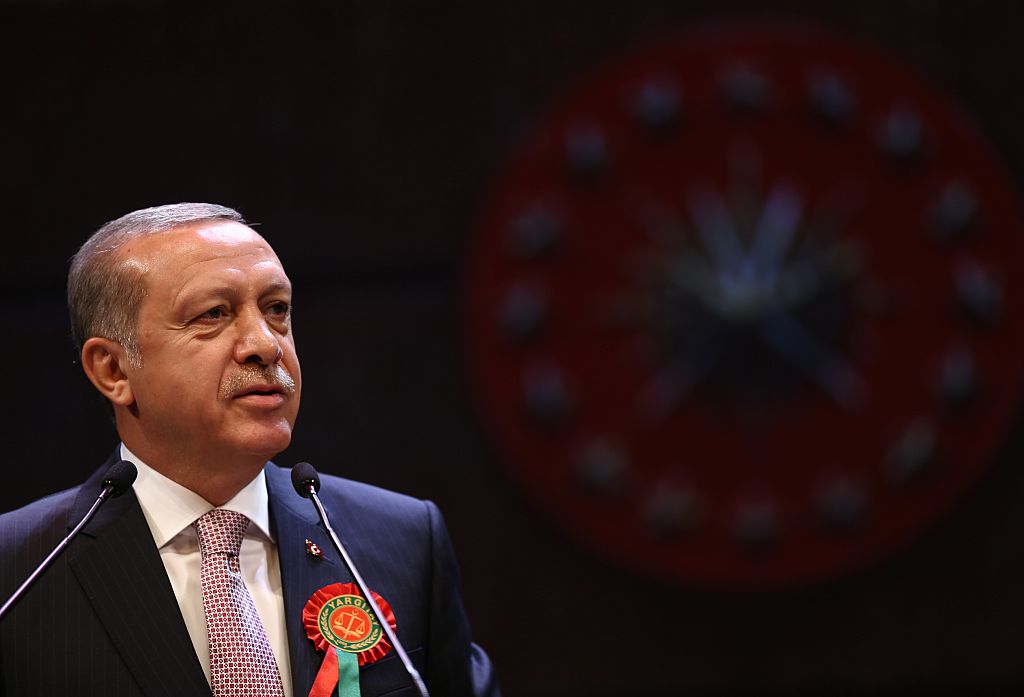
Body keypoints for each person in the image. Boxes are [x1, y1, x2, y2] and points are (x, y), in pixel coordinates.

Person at [0, 203, 498, 697]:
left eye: (276, 309)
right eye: (213, 314)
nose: (266, 344)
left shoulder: (401, 540)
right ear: (113, 370)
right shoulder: (19, 571)